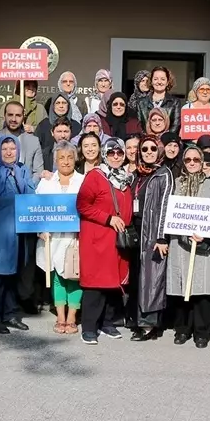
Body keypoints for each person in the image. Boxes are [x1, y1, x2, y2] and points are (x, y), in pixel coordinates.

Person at [0, 134, 39, 334]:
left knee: (13, 276)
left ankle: (10, 314)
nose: (9, 152)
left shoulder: (22, 170)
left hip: (19, 234)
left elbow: (31, 197)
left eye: (12, 149)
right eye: (4, 149)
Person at [76, 137, 133, 344]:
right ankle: (89, 327)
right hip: (98, 238)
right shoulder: (95, 176)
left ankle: (107, 322)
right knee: (95, 284)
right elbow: (82, 205)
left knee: (113, 283)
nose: (116, 156)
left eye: (119, 153)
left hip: (117, 240)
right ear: (104, 154)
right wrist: (108, 218)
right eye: (111, 153)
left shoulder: (126, 179)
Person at [166, 148, 210, 348]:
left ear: (202, 162)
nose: (192, 163)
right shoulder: (177, 185)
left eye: (196, 159)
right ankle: (182, 329)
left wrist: (205, 234)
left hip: (203, 245)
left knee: (202, 292)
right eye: (188, 159)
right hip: (180, 245)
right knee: (182, 289)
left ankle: (202, 332)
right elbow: (171, 213)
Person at [36, 141, 85, 334]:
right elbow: (36, 210)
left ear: (76, 159)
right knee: (57, 276)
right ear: (55, 160)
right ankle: (61, 316)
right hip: (52, 238)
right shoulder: (46, 182)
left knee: (74, 275)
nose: (65, 162)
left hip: (75, 237)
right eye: (61, 158)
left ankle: (72, 316)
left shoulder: (83, 181)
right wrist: (39, 229)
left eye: (69, 157)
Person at [132, 134, 173, 340]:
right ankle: (138, 319)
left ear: (159, 150)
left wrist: (161, 237)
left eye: (152, 149)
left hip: (153, 234)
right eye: (144, 149)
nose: (148, 152)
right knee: (140, 277)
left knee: (152, 278)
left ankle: (149, 325)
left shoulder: (163, 174)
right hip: (137, 232)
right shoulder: (137, 174)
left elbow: (165, 205)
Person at [0, 100, 44, 181]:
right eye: (10, 115)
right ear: (4, 115)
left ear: (23, 117)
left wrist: (27, 189)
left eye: (18, 115)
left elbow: (38, 172)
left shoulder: (33, 141)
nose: (13, 119)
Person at [135, 66, 180, 130]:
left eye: (163, 79)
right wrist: (148, 139)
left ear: (167, 82)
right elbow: (139, 126)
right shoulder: (141, 102)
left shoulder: (175, 102)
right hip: (146, 139)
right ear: (151, 81)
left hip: (167, 139)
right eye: (155, 79)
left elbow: (176, 125)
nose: (159, 82)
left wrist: (166, 139)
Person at [36, 95, 73, 165]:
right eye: (58, 103)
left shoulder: (76, 125)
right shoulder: (43, 124)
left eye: (64, 103)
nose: (61, 106)